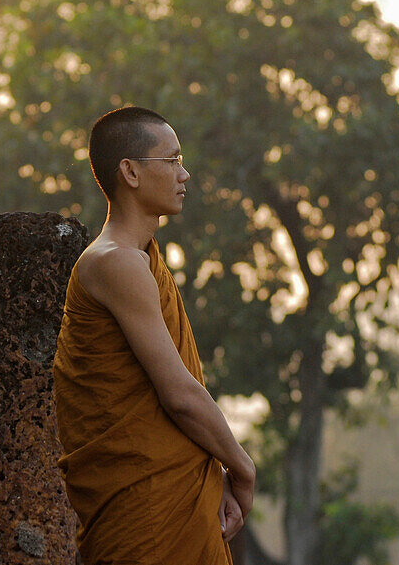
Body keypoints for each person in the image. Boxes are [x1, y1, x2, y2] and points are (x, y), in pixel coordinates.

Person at [53, 105, 255, 564]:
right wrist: (241, 466)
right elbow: (179, 394)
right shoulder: (115, 261)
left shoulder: (140, 259)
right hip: (144, 505)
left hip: (175, 493)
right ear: (131, 171)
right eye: (173, 160)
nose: (184, 175)